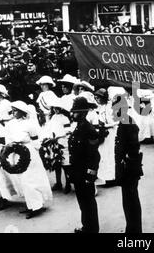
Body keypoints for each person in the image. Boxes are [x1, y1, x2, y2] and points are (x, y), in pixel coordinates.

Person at [5, 101, 53, 219]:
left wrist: (33, 151)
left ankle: (36, 206)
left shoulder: (29, 124)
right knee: (22, 179)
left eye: (16, 110)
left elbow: (36, 141)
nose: (13, 112)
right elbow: (8, 138)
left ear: (22, 112)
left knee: (30, 179)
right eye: (13, 110)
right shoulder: (10, 124)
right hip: (15, 152)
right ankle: (30, 204)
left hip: (28, 152)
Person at [68, 96, 101, 233]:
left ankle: (92, 229)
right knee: (83, 202)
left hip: (85, 173)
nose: (72, 114)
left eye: (75, 112)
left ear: (81, 113)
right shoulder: (78, 128)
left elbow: (94, 156)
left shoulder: (88, 129)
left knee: (88, 202)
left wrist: (90, 175)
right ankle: (87, 227)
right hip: (77, 172)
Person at [112, 93, 143, 233]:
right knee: (128, 200)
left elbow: (134, 147)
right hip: (126, 168)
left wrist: (126, 160)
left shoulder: (128, 123)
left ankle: (134, 231)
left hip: (129, 168)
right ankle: (131, 228)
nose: (115, 111)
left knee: (131, 201)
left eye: (117, 109)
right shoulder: (124, 122)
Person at [43, 97, 72, 194]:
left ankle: (68, 183)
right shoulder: (53, 118)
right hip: (53, 143)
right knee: (56, 164)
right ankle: (58, 182)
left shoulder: (65, 118)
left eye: (57, 108)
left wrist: (58, 137)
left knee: (65, 164)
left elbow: (68, 131)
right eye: (54, 108)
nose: (56, 109)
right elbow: (50, 129)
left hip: (62, 142)